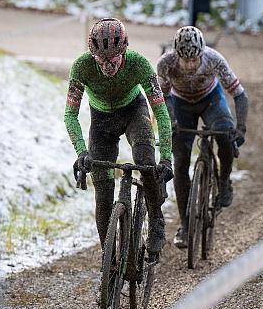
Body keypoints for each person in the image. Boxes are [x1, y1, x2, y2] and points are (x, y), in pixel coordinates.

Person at [64, 18, 173, 258]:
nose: (107, 65)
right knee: (102, 193)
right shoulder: (81, 67)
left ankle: (156, 220)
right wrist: (82, 152)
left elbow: (161, 113)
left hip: (134, 112)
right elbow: (70, 115)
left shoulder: (139, 64)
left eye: (113, 58)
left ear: (124, 50)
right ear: (92, 54)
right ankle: (109, 260)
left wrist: (165, 157)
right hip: (101, 122)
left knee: (145, 161)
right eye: (101, 59)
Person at [157, 26, 249, 248]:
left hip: (210, 100)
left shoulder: (214, 59)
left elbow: (239, 94)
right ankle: (186, 226)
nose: (189, 66)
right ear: (175, 54)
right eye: (184, 60)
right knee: (180, 163)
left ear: (202, 53)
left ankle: (224, 181)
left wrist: (241, 128)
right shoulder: (165, 63)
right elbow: (162, 98)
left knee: (225, 136)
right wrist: (171, 122)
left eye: (194, 60)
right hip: (179, 104)